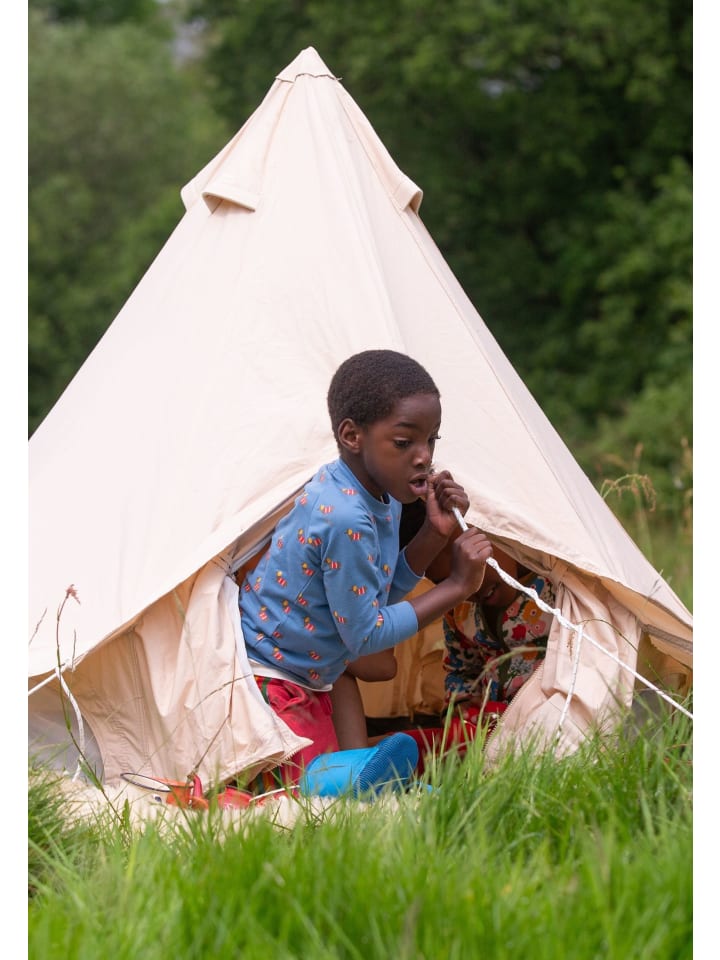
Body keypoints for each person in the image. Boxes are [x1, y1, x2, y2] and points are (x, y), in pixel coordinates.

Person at [237, 349, 493, 793]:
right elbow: (366, 635)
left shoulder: (382, 496)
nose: (423, 457)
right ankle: (383, 779)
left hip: (313, 677)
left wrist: (434, 533)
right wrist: (456, 586)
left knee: (337, 786)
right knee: (304, 792)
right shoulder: (345, 517)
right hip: (271, 682)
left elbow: (380, 591)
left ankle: (380, 779)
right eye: (404, 442)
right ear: (352, 435)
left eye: (431, 441)